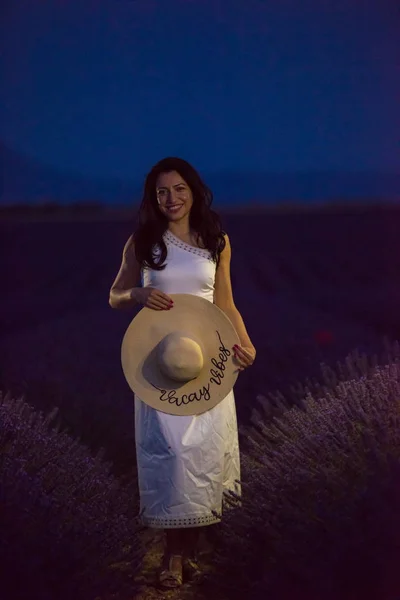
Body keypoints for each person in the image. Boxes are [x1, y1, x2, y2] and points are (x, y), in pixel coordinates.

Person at [109, 157, 256, 589]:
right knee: (172, 456)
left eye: (178, 189)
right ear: (153, 198)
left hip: (206, 361)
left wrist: (244, 343)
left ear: (193, 191)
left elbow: (225, 303)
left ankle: (188, 550)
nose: (171, 199)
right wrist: (137, 292)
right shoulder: (143, 242)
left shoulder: (217, 241)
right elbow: (114, 295)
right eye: (161, 192)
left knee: (202, 457)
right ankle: (174, 556)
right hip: (160, 365)